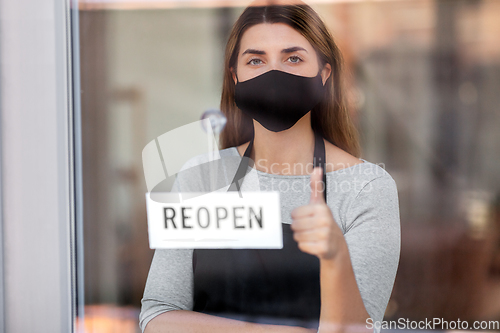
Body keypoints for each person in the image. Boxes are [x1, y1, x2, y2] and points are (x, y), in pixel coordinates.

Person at [139, 0, 401, 332]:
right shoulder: (201, 176)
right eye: (256, 60)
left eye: (293, 58)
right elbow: (157, 316)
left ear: (324, 73)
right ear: (235, 76)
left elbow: (361, 329)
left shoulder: (366, 187)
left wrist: (337, 258)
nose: (273, 73)